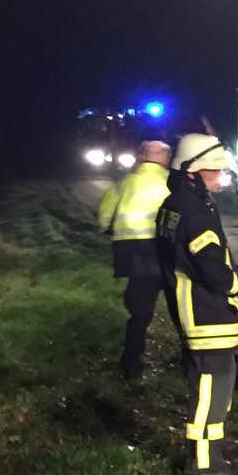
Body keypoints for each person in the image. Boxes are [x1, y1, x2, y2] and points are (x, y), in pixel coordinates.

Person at [155, 133, 238, 475]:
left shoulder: (176, 205)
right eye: (213, 171)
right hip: (206, 314)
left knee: (218, 386)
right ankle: (203, 463)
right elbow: (212, 270)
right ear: (192, 172)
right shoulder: (195, 211)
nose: (220, 177)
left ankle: (217, 444)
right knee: (210, 391)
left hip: (194, 311)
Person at [97, 140, 171, 380]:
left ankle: (131, 361)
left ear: (143, 157)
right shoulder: (171, 182)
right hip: (162, 249)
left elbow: (105, 212)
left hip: (130, 251)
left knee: (140, 310)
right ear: (166, 158)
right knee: (181, 304)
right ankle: (192, 358)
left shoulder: (125, 181)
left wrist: (105, 227)